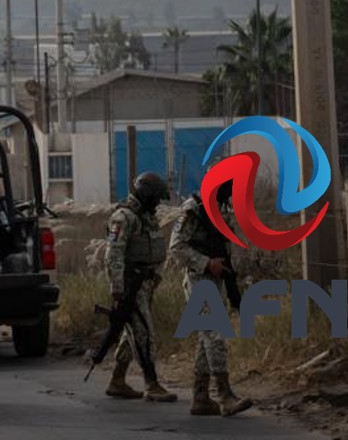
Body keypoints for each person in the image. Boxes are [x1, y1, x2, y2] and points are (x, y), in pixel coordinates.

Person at [169, 180, 253, 417]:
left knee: (206, 338)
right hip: (198, 280)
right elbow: (176, 246)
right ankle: (224, 395)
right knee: (215, 332)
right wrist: (205, 263)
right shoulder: (192, 209)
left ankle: (201, 396)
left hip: (217, 280)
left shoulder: (221, 208)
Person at [103, 171, 176, 403]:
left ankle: (117, 380)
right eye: (155, 198)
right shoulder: (124, 217)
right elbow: (113, 255)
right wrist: (117, 288)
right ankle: (151, 384)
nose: (157, 203)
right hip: (130, 284)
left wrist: (155, 276)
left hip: (145, 283)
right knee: (144, 333)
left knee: (131, 333)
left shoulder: (146, 216)